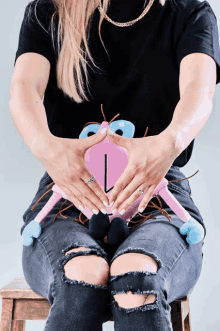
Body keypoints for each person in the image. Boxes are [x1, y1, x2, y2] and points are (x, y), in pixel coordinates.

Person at [9, 0, 220, 330]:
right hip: (68, 196)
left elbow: (199, 90)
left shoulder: (190, 12)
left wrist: (169, 143)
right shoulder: (47, 11)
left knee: (138, 280)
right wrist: (47, 149)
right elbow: (24, 87)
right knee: (82, 276)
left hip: (159, 200)